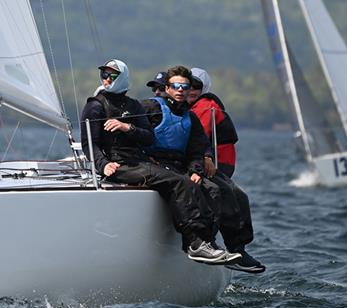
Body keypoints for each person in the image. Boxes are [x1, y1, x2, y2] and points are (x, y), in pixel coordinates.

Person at [80, 59, 238, 265]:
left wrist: (127, 128)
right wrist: (103, 165)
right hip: (117, 165)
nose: (107, 79)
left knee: (195, 183)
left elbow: (149, 137)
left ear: (124, 78)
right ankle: (195, 243)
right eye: (104, 75)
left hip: (138, 161)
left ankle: (206, 242)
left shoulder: (133, 105)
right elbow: (89, 143)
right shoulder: (95, 106)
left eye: (112, 75)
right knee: (180, 182)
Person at [188, 67, 264, 273]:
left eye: (196, 86)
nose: (191, 90)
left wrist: (203, 159)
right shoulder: (194, 105)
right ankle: (218, 244)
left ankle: (231, 247)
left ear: (204, 88)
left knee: (234, 195)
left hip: (216, 164)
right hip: (207, 163)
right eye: (188, 85)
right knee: (226, 193)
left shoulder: (205, 105)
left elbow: (199, 136)